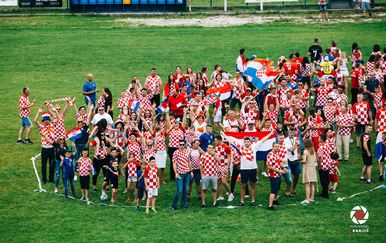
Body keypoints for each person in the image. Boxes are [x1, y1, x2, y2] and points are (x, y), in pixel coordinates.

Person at [221, 131, 274, 206]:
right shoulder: (241, 147)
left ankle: (253, 200)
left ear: (250, 142)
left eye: (248, 142)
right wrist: (224, 135)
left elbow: (263, 139)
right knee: (243, 185)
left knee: (252, 184)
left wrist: (270, 134)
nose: (247, 143)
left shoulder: (254, 146)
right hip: (244, 169)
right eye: (245, 142)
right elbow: (231, 140)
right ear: (244, 143)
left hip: (253, 168)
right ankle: (242, 201)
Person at [34, 108, 56, 184]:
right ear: (43, 121)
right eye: (45, 120)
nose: (46, 121)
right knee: (43, 164)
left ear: (49, 120)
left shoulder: (53, 125)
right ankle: (44, 179)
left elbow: (56, 118)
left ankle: (51, 178)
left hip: (52, 148)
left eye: (48, 119)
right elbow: (35, 120)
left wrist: (51, 110)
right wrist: (38, 112)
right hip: (44, 148)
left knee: (52, 164)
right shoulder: (41, 126)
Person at [172, 140, 191, 210]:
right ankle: (174, 205)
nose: (181, 146)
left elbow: (189, 161)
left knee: (185, 190)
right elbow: (174, 163)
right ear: (178, 145)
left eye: (183, 144)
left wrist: (191, 171)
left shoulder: (187, 151)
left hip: (187, 173)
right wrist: (176, 173)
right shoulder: (176, 152)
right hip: (180, 173)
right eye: (180, 145)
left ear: (185, 145)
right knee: (179, 190)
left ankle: (184, 204)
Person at [267, 142, 287, 210]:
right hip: (273, 175)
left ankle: (275, 200)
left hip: (278, 174)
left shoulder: (276, 154)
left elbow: (278, 162)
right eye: (276, 146)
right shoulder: (270, 155)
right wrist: (279, 171)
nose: (277, 148)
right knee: (273, 190)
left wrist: (283, 168)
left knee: (277, 189)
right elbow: (269, 166)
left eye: (278, 146)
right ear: (272, 147)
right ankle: (270, 205)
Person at [214, 136, 234, 202]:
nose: (215, 142)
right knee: (219, 181)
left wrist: (227, 167)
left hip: (224, 166)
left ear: (219, 140)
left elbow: (229, 157)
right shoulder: (216, 146)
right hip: (218, 166)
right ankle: (220, 196)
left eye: (215, 140)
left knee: (224, 181)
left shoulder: (226, 147)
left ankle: (230, 194)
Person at [301, 139, 318, 204]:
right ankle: (312, 198)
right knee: (312, 184)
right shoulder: (313, 151)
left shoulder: (305, 151)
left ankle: (307, 199)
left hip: (307, 168)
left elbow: (304, 161)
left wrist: (301, 161)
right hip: (313, 168)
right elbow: (315, 161)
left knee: (307, 184)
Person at [284, 128, 301, 195]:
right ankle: (288, 190)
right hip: (288, 159)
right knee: (289, 176)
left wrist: (299, 154)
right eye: (290, 131)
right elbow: (291, 150)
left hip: (296, 159)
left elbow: (299, 147)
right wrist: (295, 144)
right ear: (288, 132)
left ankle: (294, 188)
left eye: (293, 131)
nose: (292, 132)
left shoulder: (296, 138)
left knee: (296, 175)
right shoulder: (285, 140)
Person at [317, 134, 331, 198]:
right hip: (328, 163)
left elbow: (320, 157)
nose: (318, 139)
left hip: (323, 165)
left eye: (319, 138)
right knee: (327, 178)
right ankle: (325, 191)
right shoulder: (327, 145)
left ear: (322, 139)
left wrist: (319, 165)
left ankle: (325, 193)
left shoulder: (321, 147)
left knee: (323, 180)